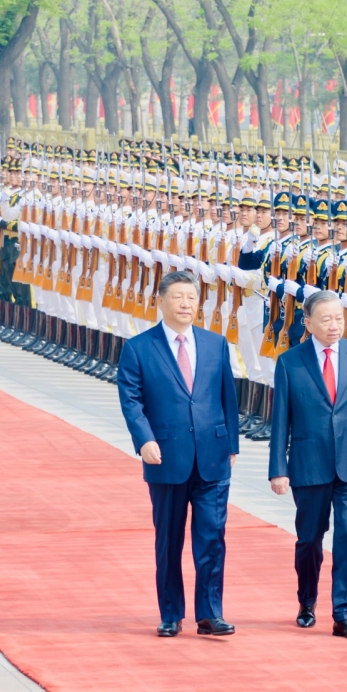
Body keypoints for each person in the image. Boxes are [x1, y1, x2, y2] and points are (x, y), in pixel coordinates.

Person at [116, 270, 240, 639]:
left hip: (213, 457)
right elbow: (131, 400)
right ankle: (171, 613)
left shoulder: (216, 344)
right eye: (178, 297)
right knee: (169, 541)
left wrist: (231, 443)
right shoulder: (139, 347)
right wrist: (144, 440)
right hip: (166, 457)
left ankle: (210, 614)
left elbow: (227, 398)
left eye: (191, 298)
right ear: (160, 301)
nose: (186, 304)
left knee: (212, 537)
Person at [268, 290, 347, 640]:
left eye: (339, 318)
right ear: (307, 323)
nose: (334, 325)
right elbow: (280, 421)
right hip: (308, 464)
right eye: (326, 319)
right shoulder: (290, 362)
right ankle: (307, 601)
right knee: (309, 539)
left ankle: (344, 614)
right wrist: (279, 469)